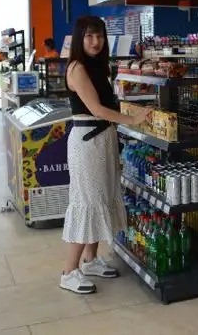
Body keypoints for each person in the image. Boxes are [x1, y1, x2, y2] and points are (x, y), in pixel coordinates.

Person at [59, 15, 151, 294]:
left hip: (104, 139)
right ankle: (69, 271)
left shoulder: (99, 66)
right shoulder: (77, 68)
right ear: (79, 38)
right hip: (87, 142)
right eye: (89, 36)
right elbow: (96, 109)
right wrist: (132, 120)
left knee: (101, 197)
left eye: (99, 35)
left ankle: (90, 260)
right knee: (87, 201)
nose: (96, 41)